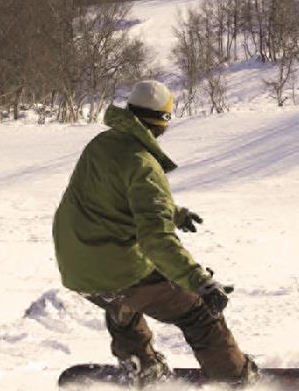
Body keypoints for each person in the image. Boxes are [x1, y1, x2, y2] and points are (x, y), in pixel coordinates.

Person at [52, 80, 258, 387]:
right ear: (163, 120)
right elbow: (156, 240)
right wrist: (200, 282)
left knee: (121, 304)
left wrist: (173, 212)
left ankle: (143, 368)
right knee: (197, 312)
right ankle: (236, 379)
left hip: (76, 264)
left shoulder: (101, 144)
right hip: (117, 265)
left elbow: (112, 195)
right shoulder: (144, 164)